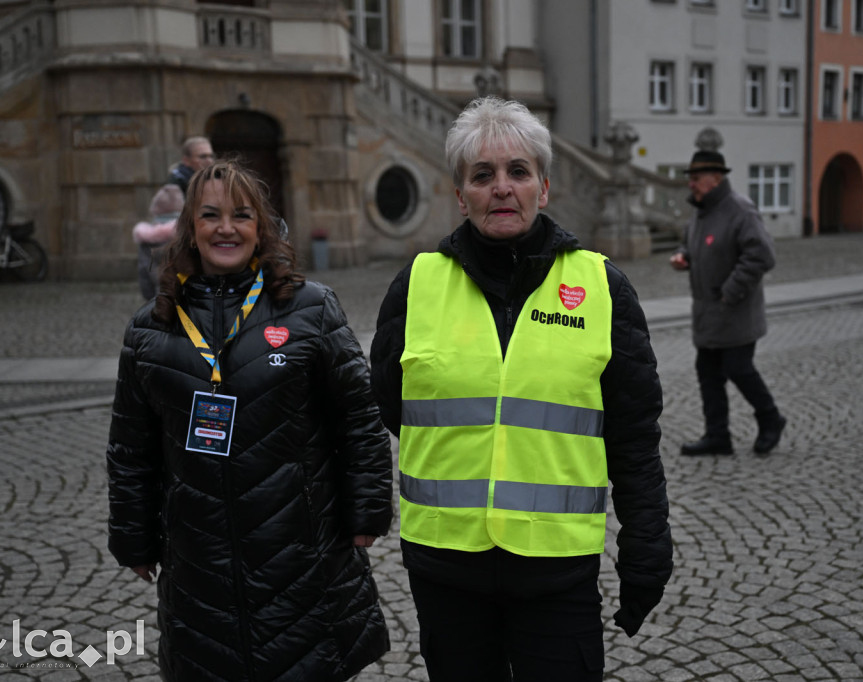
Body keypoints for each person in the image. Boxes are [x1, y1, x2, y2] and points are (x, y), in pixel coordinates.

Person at [370, 96, 673, 682]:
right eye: (482, 175)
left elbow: (634, 436)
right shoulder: (417, 285)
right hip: (445, 567)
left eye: (518, 172)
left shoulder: (602, 286)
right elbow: (389, 403)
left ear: (544, 187)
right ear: (461, 195)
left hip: (556, 572)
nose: (501, 188)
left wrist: (646, 550)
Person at [106, 159, 393, 681]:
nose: (226, 228)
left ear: (260, 227)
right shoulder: (150, 329)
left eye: (241, 215)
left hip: (301, 554)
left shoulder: (311, 308)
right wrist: (133, 536)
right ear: (189, 229)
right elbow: (131, 447)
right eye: (210, 215)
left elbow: (357, 417)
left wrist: (367, 510)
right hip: (198, 563)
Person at [670, 149, 786, 456]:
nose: (691, 185)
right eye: (690, 179)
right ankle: (717, 436)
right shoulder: (700, 210)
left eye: (696, 179)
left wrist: (730, 290)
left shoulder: (740, 210)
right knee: (708, 372)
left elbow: (762, 255)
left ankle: (771, 418)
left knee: (738, 368)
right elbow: (694, 242)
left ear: (716, 178)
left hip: (735, 310)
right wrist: (685, 256)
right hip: (707, 312)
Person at [132, 183, 183, 300]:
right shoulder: (187, 236)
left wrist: (149, 297)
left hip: (157, 300)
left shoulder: (146, 238)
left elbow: (144, 272)